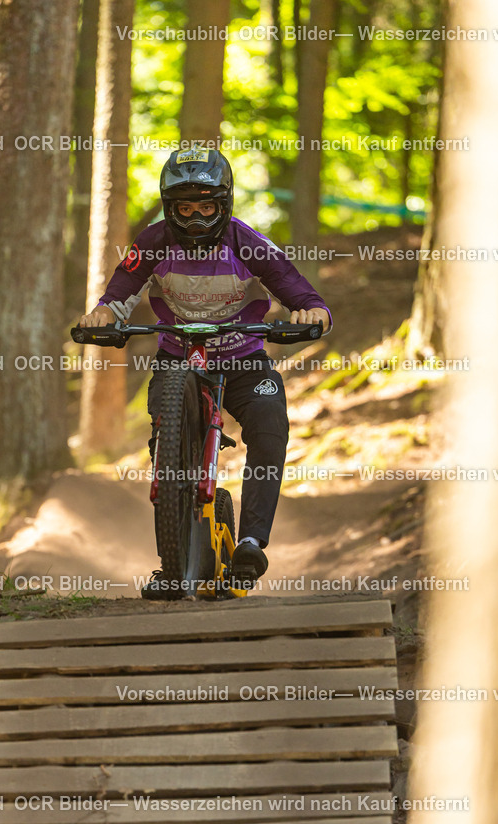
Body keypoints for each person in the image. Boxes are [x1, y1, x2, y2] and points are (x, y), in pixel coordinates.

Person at [80, 148, 332, 598]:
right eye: (185, 208)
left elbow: (296, 289)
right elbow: (120, 290)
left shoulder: (247, 241)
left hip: (243, 356)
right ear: (169, 208)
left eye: (206, 206)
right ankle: (171, 565)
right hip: (178, 357)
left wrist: (311, 311)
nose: (196, 217)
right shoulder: (153, 241)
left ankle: (251, 542)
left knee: (270, 421)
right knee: (165, 440)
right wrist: (103, 315)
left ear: (224, 203)